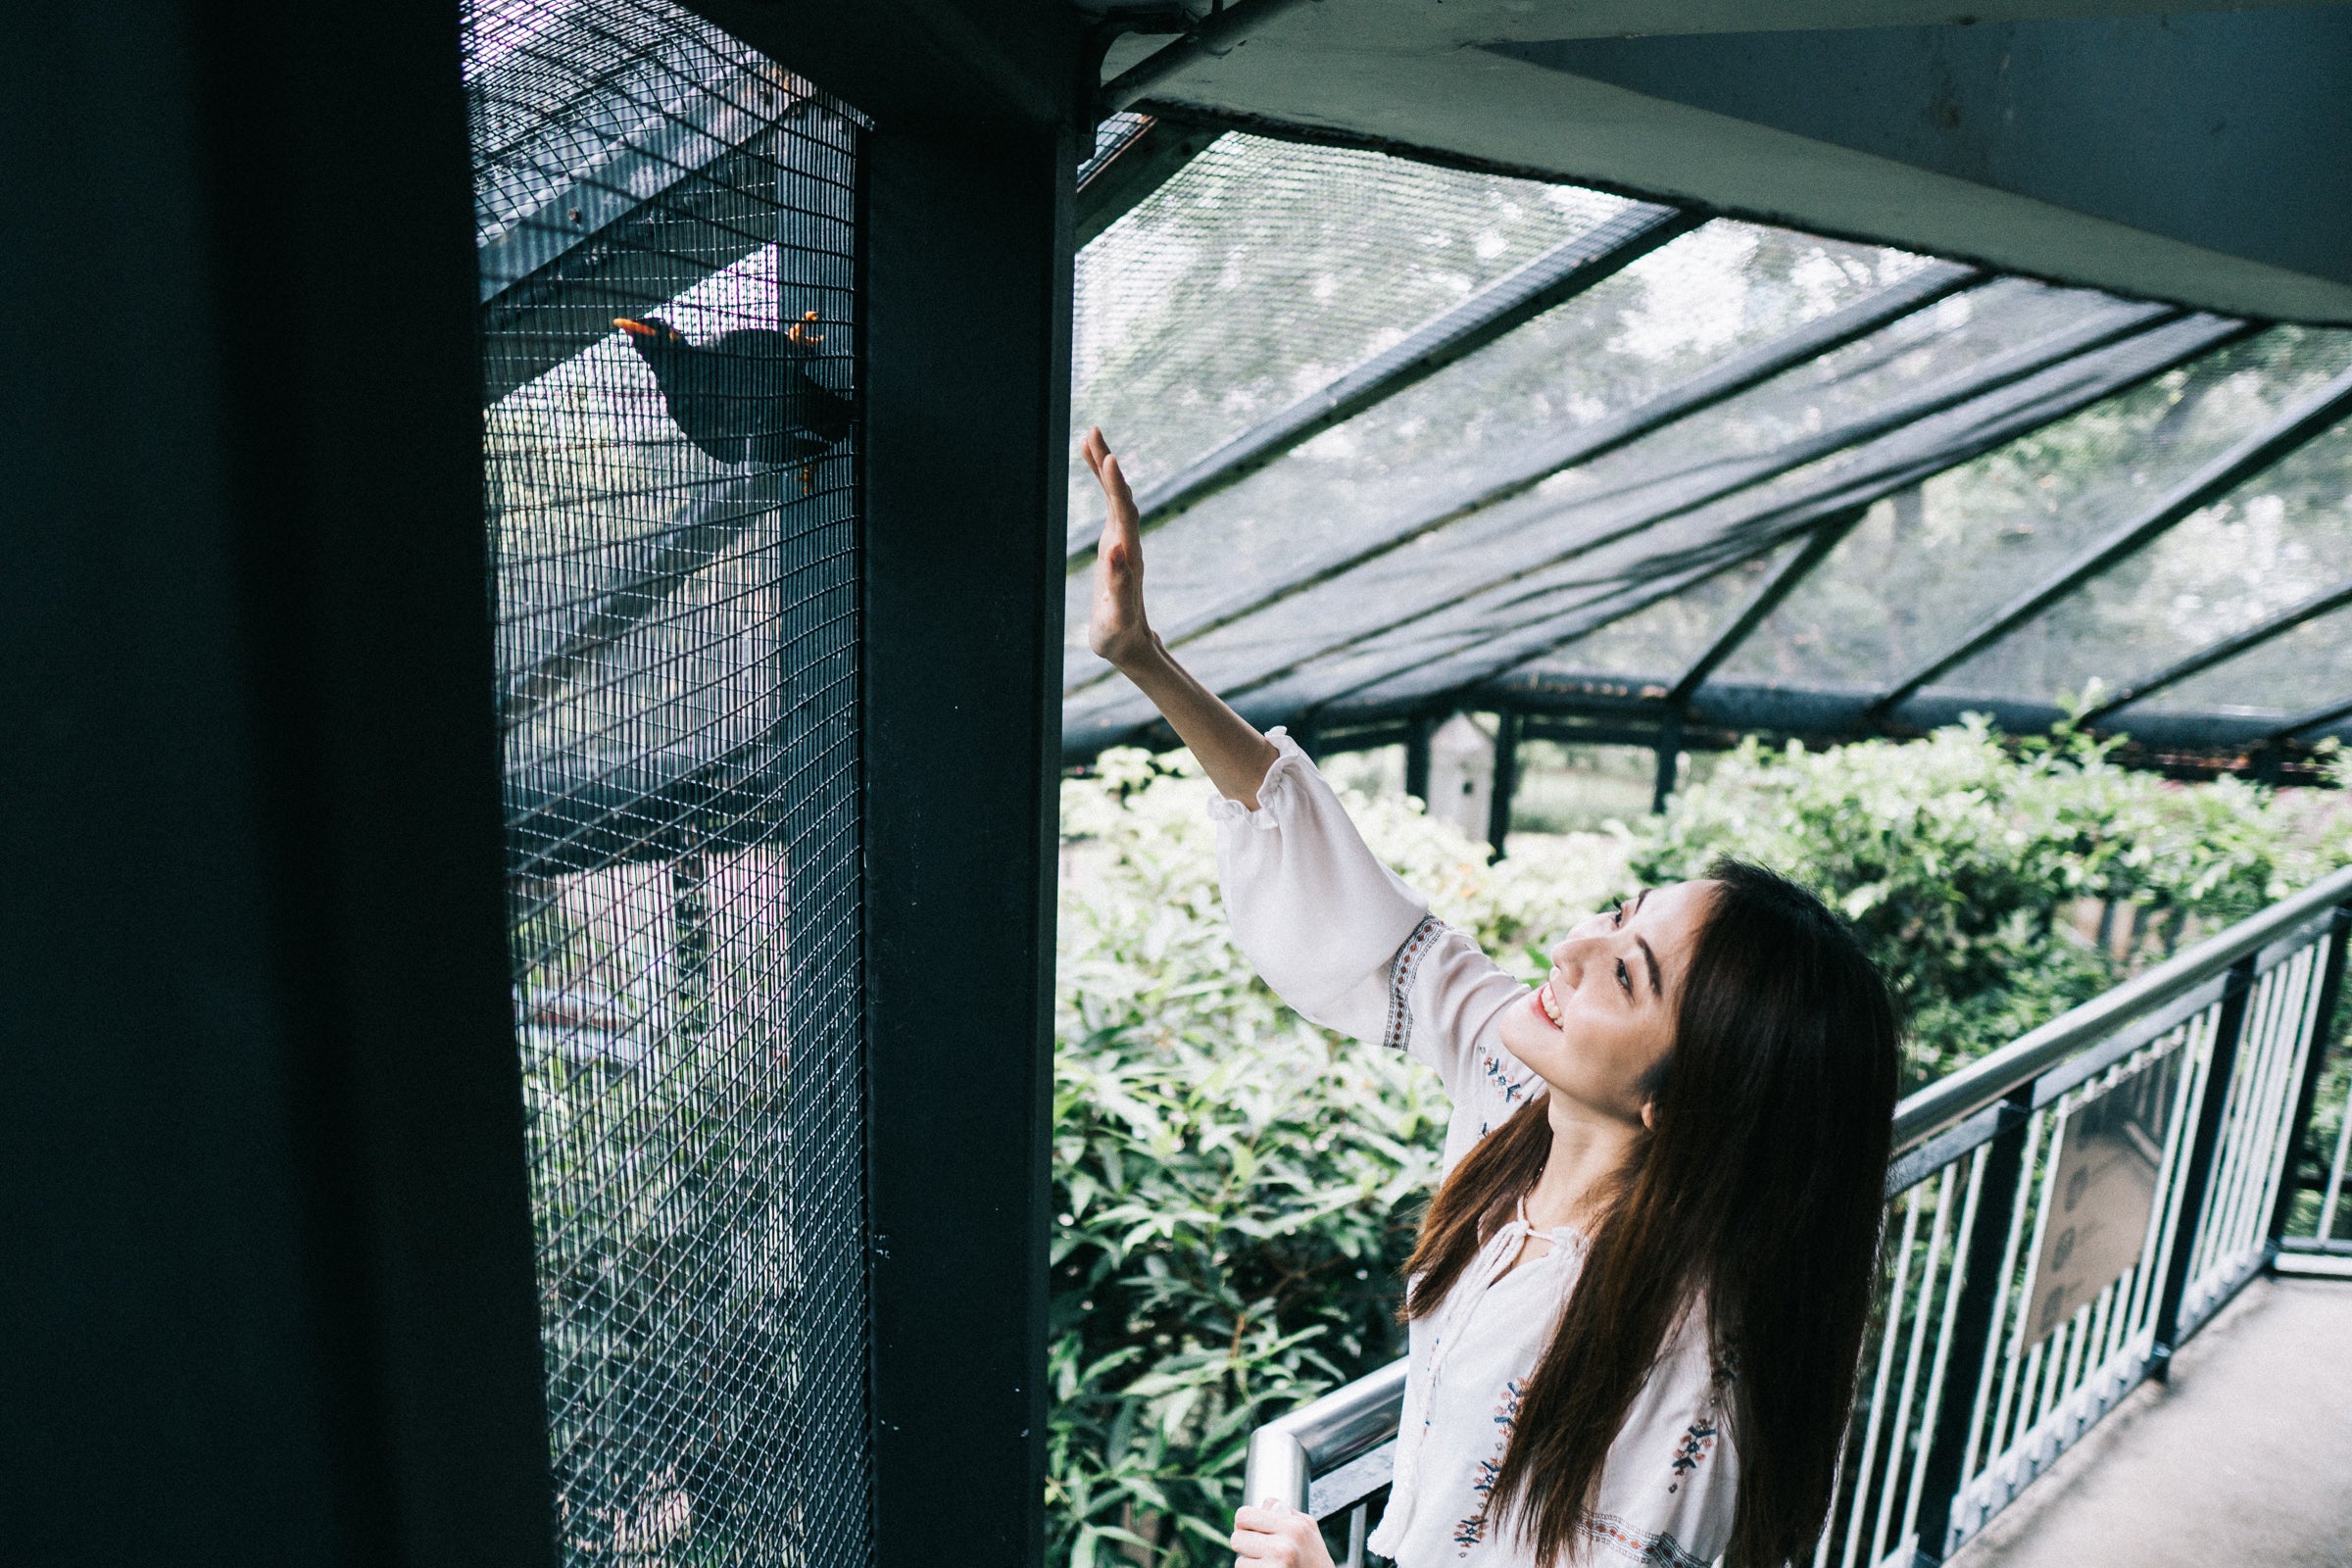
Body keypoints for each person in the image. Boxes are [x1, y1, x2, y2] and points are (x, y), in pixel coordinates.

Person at [1079, 428, 1902, 1568]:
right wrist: (1145, 659)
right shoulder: (1525, 1092)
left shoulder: (1686, 1371)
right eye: (1617, 912)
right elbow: (1369, 921)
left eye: (1626, 972)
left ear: (1682, 1100)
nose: (1571, 945)